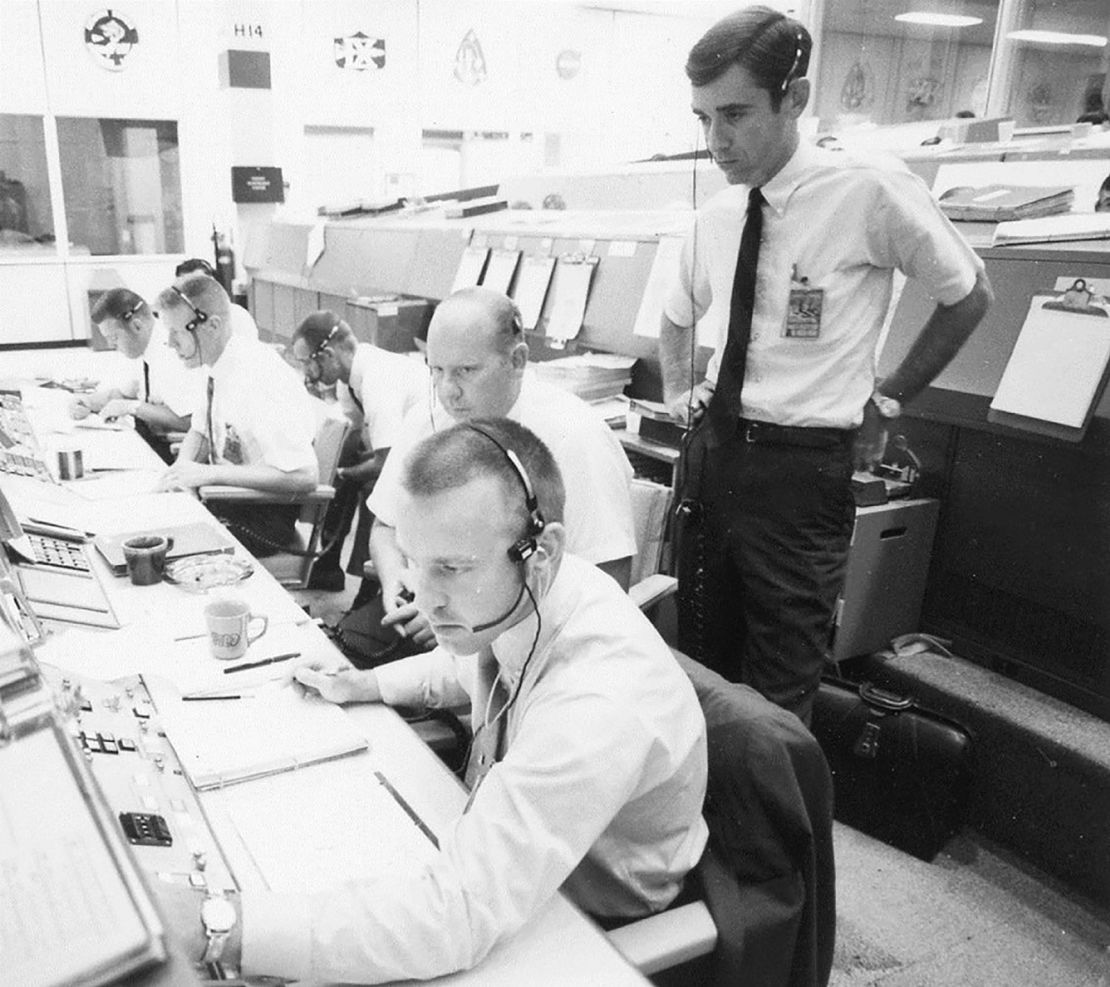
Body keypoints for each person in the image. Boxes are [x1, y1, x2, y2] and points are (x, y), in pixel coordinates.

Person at [154, 418, 708, 984]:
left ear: (541, 551)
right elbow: (468, 659)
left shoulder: (598, 698)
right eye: (416, 561)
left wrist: (225, 927)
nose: (424, 595)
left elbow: (458, 914)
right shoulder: (539, 594)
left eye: (451, 568)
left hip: (588, 920)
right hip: (520, 867)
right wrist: (366, 685)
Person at [659, 7, 992, 724]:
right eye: (704, 119)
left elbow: (968, 294)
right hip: (715, 460)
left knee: (781, 690)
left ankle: (775, 833)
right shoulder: (717, 215)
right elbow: (676, 312)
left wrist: (892, 395)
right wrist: (681, 387)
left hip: (801, 475)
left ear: (796, 99)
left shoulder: (868, 191)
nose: (717, 141)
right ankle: (710, 827)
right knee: (704, 667)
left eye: (737, 115)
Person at [364, 286, 636, 655]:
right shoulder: (425, 420)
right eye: (437, 370)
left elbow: (609, 579)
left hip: (526, 641)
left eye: (465, 371)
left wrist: (463, 617)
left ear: (518, 360)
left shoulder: (575, 438)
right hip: (426, 617)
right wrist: (397, 580)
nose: (448, 391)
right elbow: (385, 526)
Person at [155, 273, 319, 556]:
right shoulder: (217, 365)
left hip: (260, 521)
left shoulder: (258, 377)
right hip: (225, 500)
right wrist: (180, 475)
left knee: (160, 550)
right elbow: (200, 431)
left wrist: (207, 475)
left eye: (176, 333)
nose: (169, 343)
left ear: (213, 326)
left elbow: (304, 476)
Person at [289, 310, 427, 591]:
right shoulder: (348, 382)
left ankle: (369, 585)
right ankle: (327, 566)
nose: (307, 373)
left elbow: (386, 463)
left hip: (429, 460)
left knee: (371, 488)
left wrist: (341, 473)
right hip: (405, 451)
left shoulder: (378, 378)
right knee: (348, 456)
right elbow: (351, 439)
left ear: (327, 354)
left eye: (307, 363)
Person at [71, 288, 204, 463]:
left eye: (114, 338)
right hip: (150, 443)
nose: (112, 345)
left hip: (171, 453)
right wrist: (87, 402)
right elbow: (122, 394)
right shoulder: (142, 349)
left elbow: (191, 421)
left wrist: (133, 408)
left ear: (137, 326)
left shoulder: (171, 352)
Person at [175, 257, 259, 340]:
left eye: (200, 285)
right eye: (187, 287)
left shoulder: (238, 316)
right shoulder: (173, 320)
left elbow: (248, 350)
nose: (194, 292)